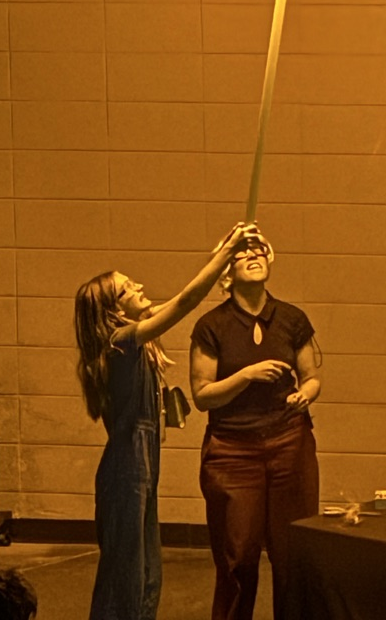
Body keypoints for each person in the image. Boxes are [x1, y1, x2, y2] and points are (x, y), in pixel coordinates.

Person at [74, 222, 252, 620]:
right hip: (125, 470)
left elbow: (178, 299)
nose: (138, 286)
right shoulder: (120, 342)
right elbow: (185, 301)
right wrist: (226, 256)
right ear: (115, 310)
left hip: (141, 467)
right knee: (125, 578)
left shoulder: (134, 343)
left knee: (148, 575)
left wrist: (221, 251)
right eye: (127, 288)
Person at [189, 224, 321, 620]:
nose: (254, 256)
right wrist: (247, 375)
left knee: (292, 554)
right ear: (225, 274)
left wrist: (306, 394)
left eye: (260, 251)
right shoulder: (211, 326)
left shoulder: (292, 318)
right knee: (238, 559)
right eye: (243, 253)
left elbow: (312, 377)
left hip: (289, 443)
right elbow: (201, 395)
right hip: (232, 452)